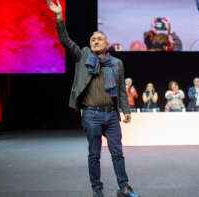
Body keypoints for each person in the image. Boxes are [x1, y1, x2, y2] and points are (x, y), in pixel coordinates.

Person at [47, 1, 140, 197]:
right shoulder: (82, 56)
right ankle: (97, 189)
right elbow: (65, 41)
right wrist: (59, 18)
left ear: (107, 45)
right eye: (93, 39)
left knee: (117, 154)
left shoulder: (117, 63)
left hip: (111, 116)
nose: (95, 41)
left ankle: (123, 187)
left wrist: (126, 110)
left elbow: (122, 90)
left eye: (99, 39)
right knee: (94, 155)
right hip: (91, 114)